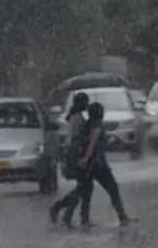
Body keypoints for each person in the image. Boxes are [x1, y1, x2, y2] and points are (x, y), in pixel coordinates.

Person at [74, 102, 130, 228]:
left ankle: (84, 219)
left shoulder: (86, 124)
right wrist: (87, 157)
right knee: (112, 187)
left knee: (86, 191)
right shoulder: (97, 124)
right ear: (99, 113)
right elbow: (93, 140)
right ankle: (122, 216)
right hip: (96, 163)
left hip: (84, 165)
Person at [49, 93, 91, 227]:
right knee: (82, 187)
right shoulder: (77, 118)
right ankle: (63, 212)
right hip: (76, 154)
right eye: (86, 102)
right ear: (81, 103)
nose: (87, 104)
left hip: (74, 153)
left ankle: (68, 214)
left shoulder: (75, 116)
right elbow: (77, 138)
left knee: (82, 187)